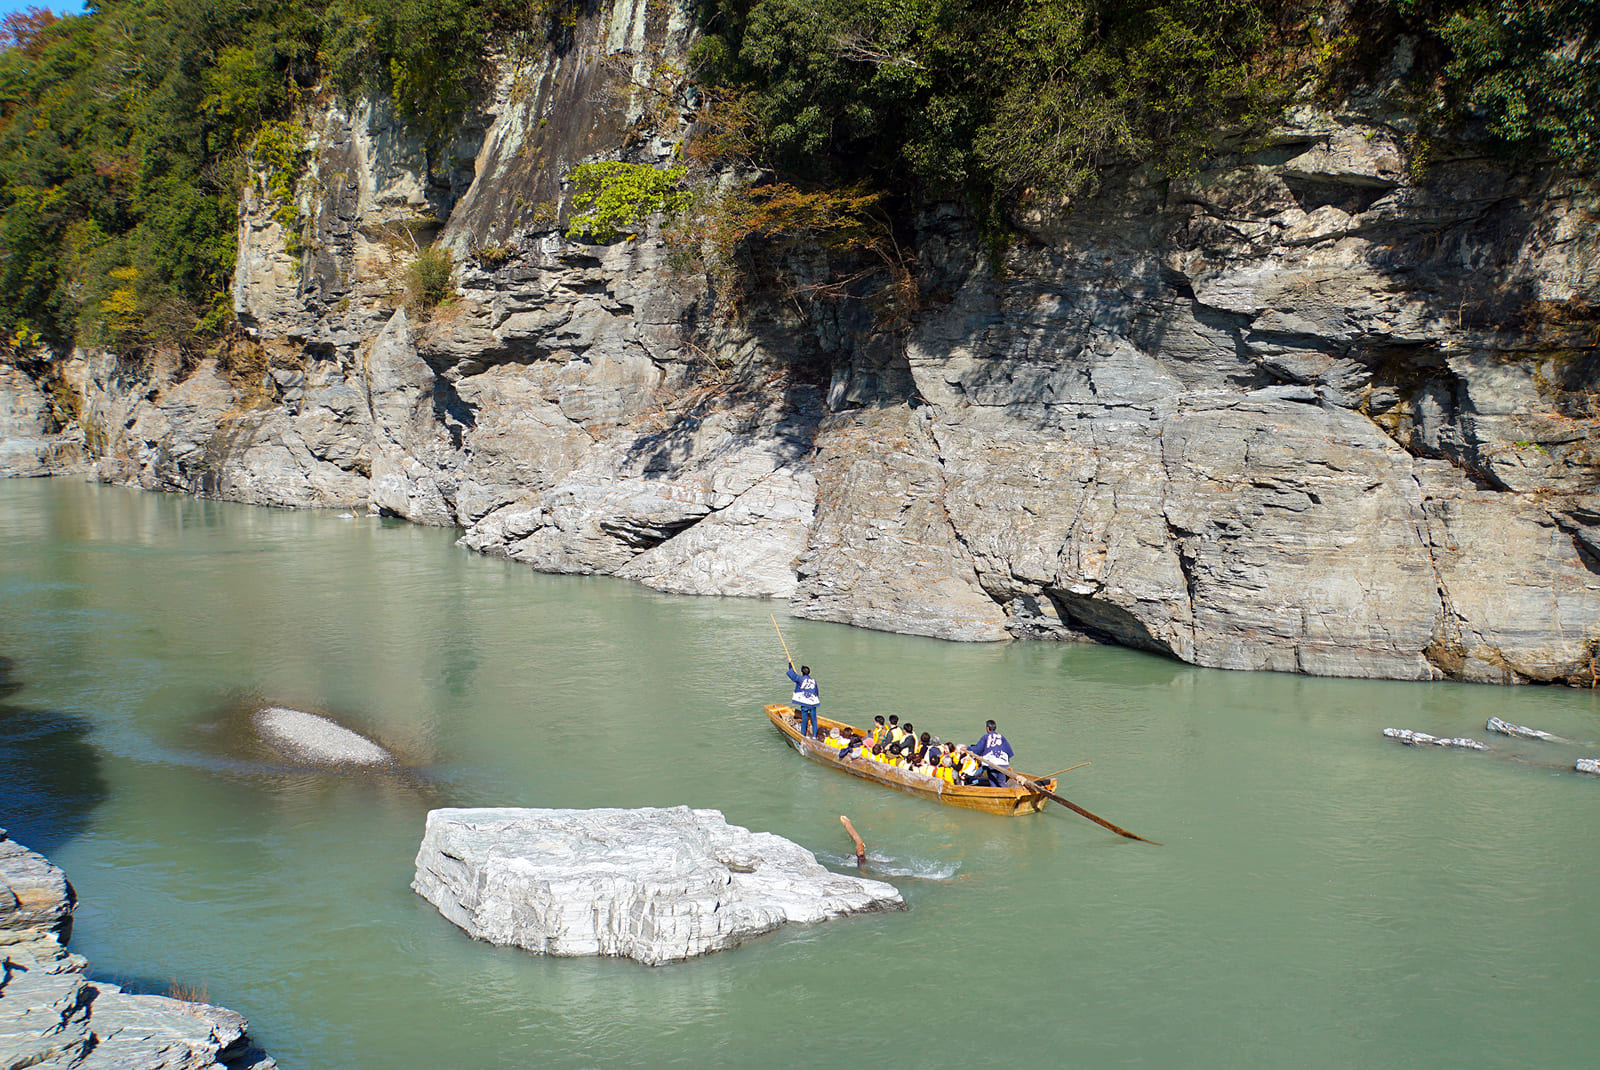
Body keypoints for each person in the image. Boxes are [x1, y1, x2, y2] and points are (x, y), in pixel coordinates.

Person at [971, 719, 1015, 787]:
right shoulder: (1001, 737)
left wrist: (968, 749)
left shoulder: (986, 737)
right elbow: (1009, 752)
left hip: (992, 765)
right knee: (1002, 783)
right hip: (1003, 765)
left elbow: (978, 749)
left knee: (993, 783)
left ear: (987, 728)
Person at [785, 661, 821, 738]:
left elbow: (792, 674)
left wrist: (790, 663)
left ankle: (803, 736)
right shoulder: (813, 681)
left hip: (804, 703)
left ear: (802, 672)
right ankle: (814, 736)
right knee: (814, 720)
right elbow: (816, 692)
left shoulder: (800, 679)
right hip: (813, 703)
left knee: (804, 720)